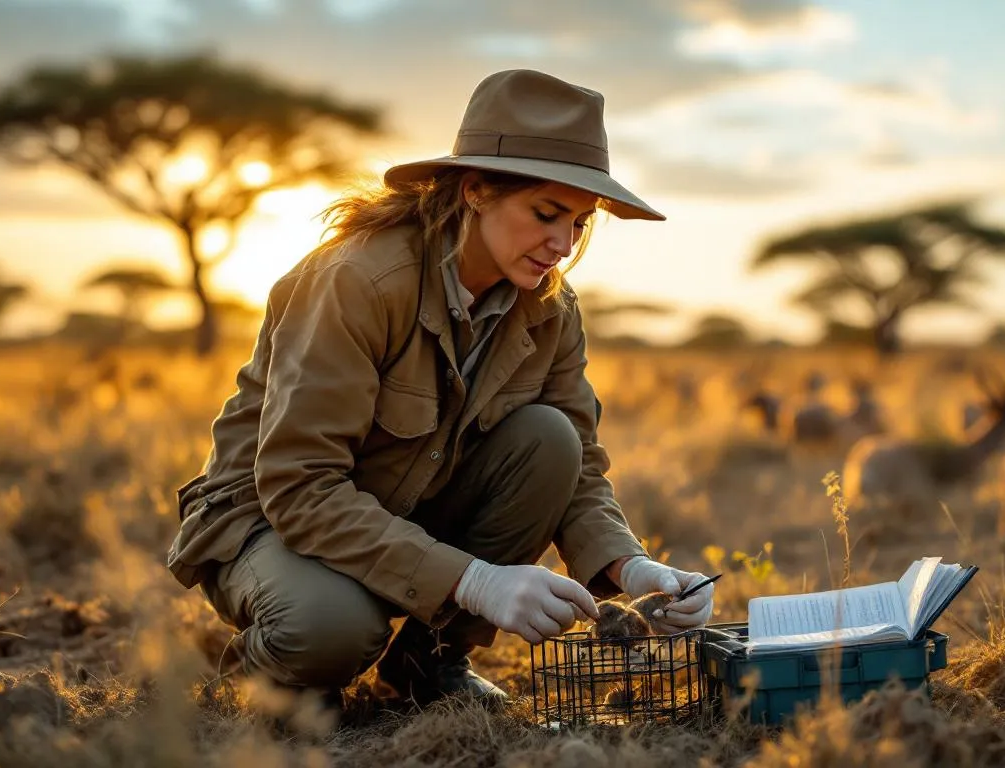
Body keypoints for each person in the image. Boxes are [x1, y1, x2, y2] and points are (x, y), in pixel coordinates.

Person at [165, 68, 716, 709]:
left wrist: (632, 568)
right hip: (268, 518)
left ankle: (427, 664)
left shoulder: (551, 308)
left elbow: (579, 469)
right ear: (477, 190)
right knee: (331, 633)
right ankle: (261, 675)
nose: (563, 245)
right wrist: (476, 582)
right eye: (546, 214)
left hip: (403, 506)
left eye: (580, 222)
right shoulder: (359, 281)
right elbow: (299, 486)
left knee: (551, 439)